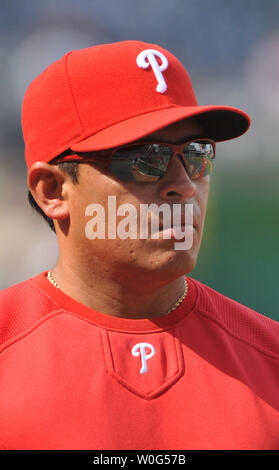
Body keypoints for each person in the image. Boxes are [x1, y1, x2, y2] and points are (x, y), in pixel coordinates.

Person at [0, 40, 278, 451]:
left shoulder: (269, 359)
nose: (184, 186)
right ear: (53, 190)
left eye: (197, 155)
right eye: (145, 159)